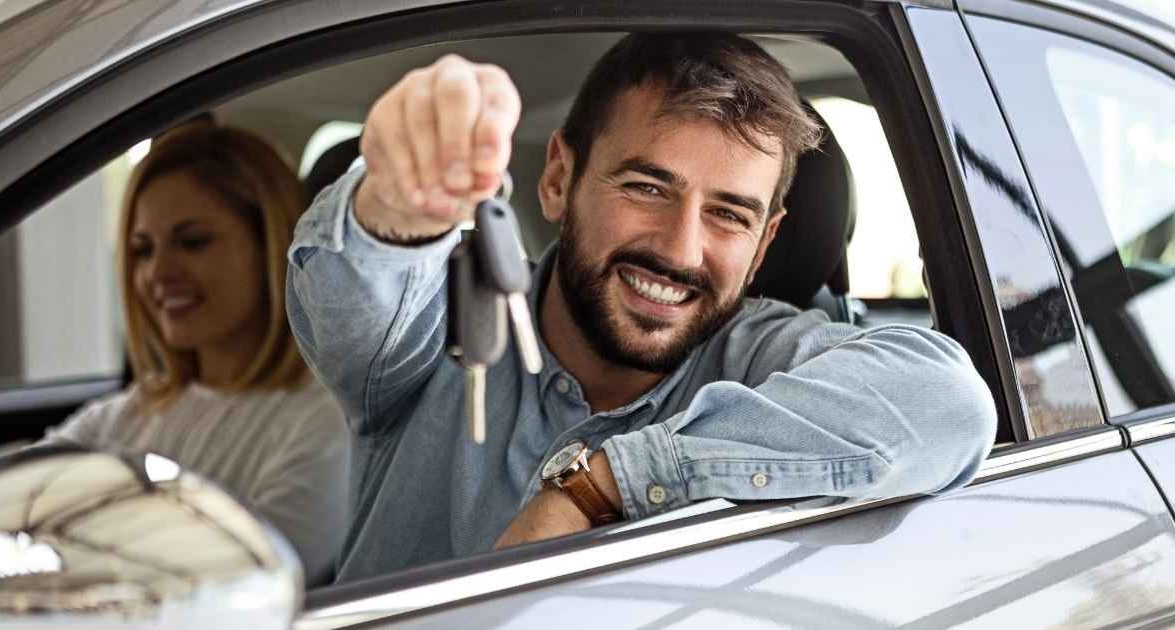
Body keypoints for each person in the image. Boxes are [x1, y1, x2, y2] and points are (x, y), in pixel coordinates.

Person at [287, 33, 997, 582]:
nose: (681, 250)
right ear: (560, 178)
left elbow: (950, 404)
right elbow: (361, 285)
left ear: (764, 242)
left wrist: (602, 487)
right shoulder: (437, 326)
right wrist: (398, 205)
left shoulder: (772, 358)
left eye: (729, 214)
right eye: (647, 188)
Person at [47, 123, 350, 587]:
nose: (158, 273)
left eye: (193, 242)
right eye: (142, 250)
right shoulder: (131, 411)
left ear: (270, 244)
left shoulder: (323, 421)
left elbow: (247, 588)